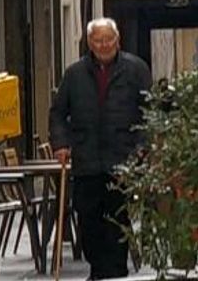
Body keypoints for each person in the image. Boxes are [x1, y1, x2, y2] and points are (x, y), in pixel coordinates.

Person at [50, 18, 153, 280]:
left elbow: (150, 112)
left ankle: (115, 272)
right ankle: (98, 269)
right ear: (89, 43)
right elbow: (58, 113)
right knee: (88, 219)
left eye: (109, 39)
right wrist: (61, 143)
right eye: (98, 40)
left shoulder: (136, 69)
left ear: (118, 40)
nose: (104, 44)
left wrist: (142, 146)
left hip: (123, 159)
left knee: (119, 220)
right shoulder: (74, 74)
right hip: (87, 159)